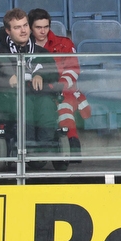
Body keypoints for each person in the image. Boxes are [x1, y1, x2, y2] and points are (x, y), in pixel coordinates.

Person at [0, 8, 60, 156]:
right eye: (17, 27)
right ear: (8, 31)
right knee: (25, 104)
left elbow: (54, 72)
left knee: (47, 105)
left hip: (37, 94)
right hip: (8, 98)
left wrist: (40, 75)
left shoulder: (41, 52)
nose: (23, 30)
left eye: (25, 25)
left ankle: (44, 150)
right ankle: (27, 151)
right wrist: (7, 78)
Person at [27, 8, 89, 155]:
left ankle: (72, 140)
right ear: (30, 27)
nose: (43, 31)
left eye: (46, 27)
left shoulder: (63, 44)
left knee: (65, 101)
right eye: (38, 27)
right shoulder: (24, 46)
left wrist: (59, 85)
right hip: (34, 89)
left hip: (61, 87)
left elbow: (73, 69)